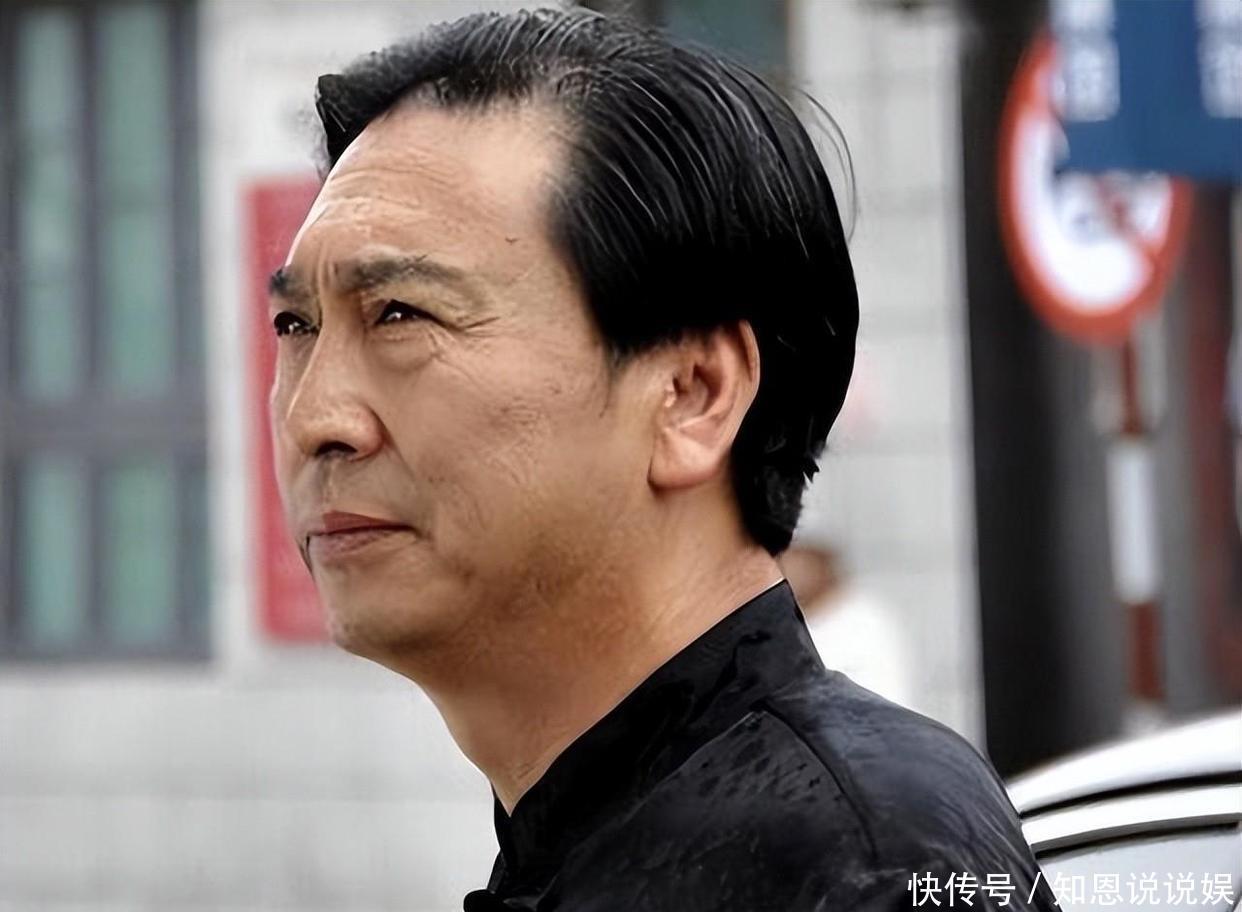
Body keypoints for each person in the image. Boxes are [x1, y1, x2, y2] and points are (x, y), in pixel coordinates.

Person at [267, 8, 1060, 910]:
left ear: (692, 395)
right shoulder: (607, 833)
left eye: (400, 314)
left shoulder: (859, 862)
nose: (315, 419)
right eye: (296, 325)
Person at [778, 542, 917, 709]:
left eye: (801, 565)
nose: (792, 574)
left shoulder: (864, 620)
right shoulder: (786, 619)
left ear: (823, 568)